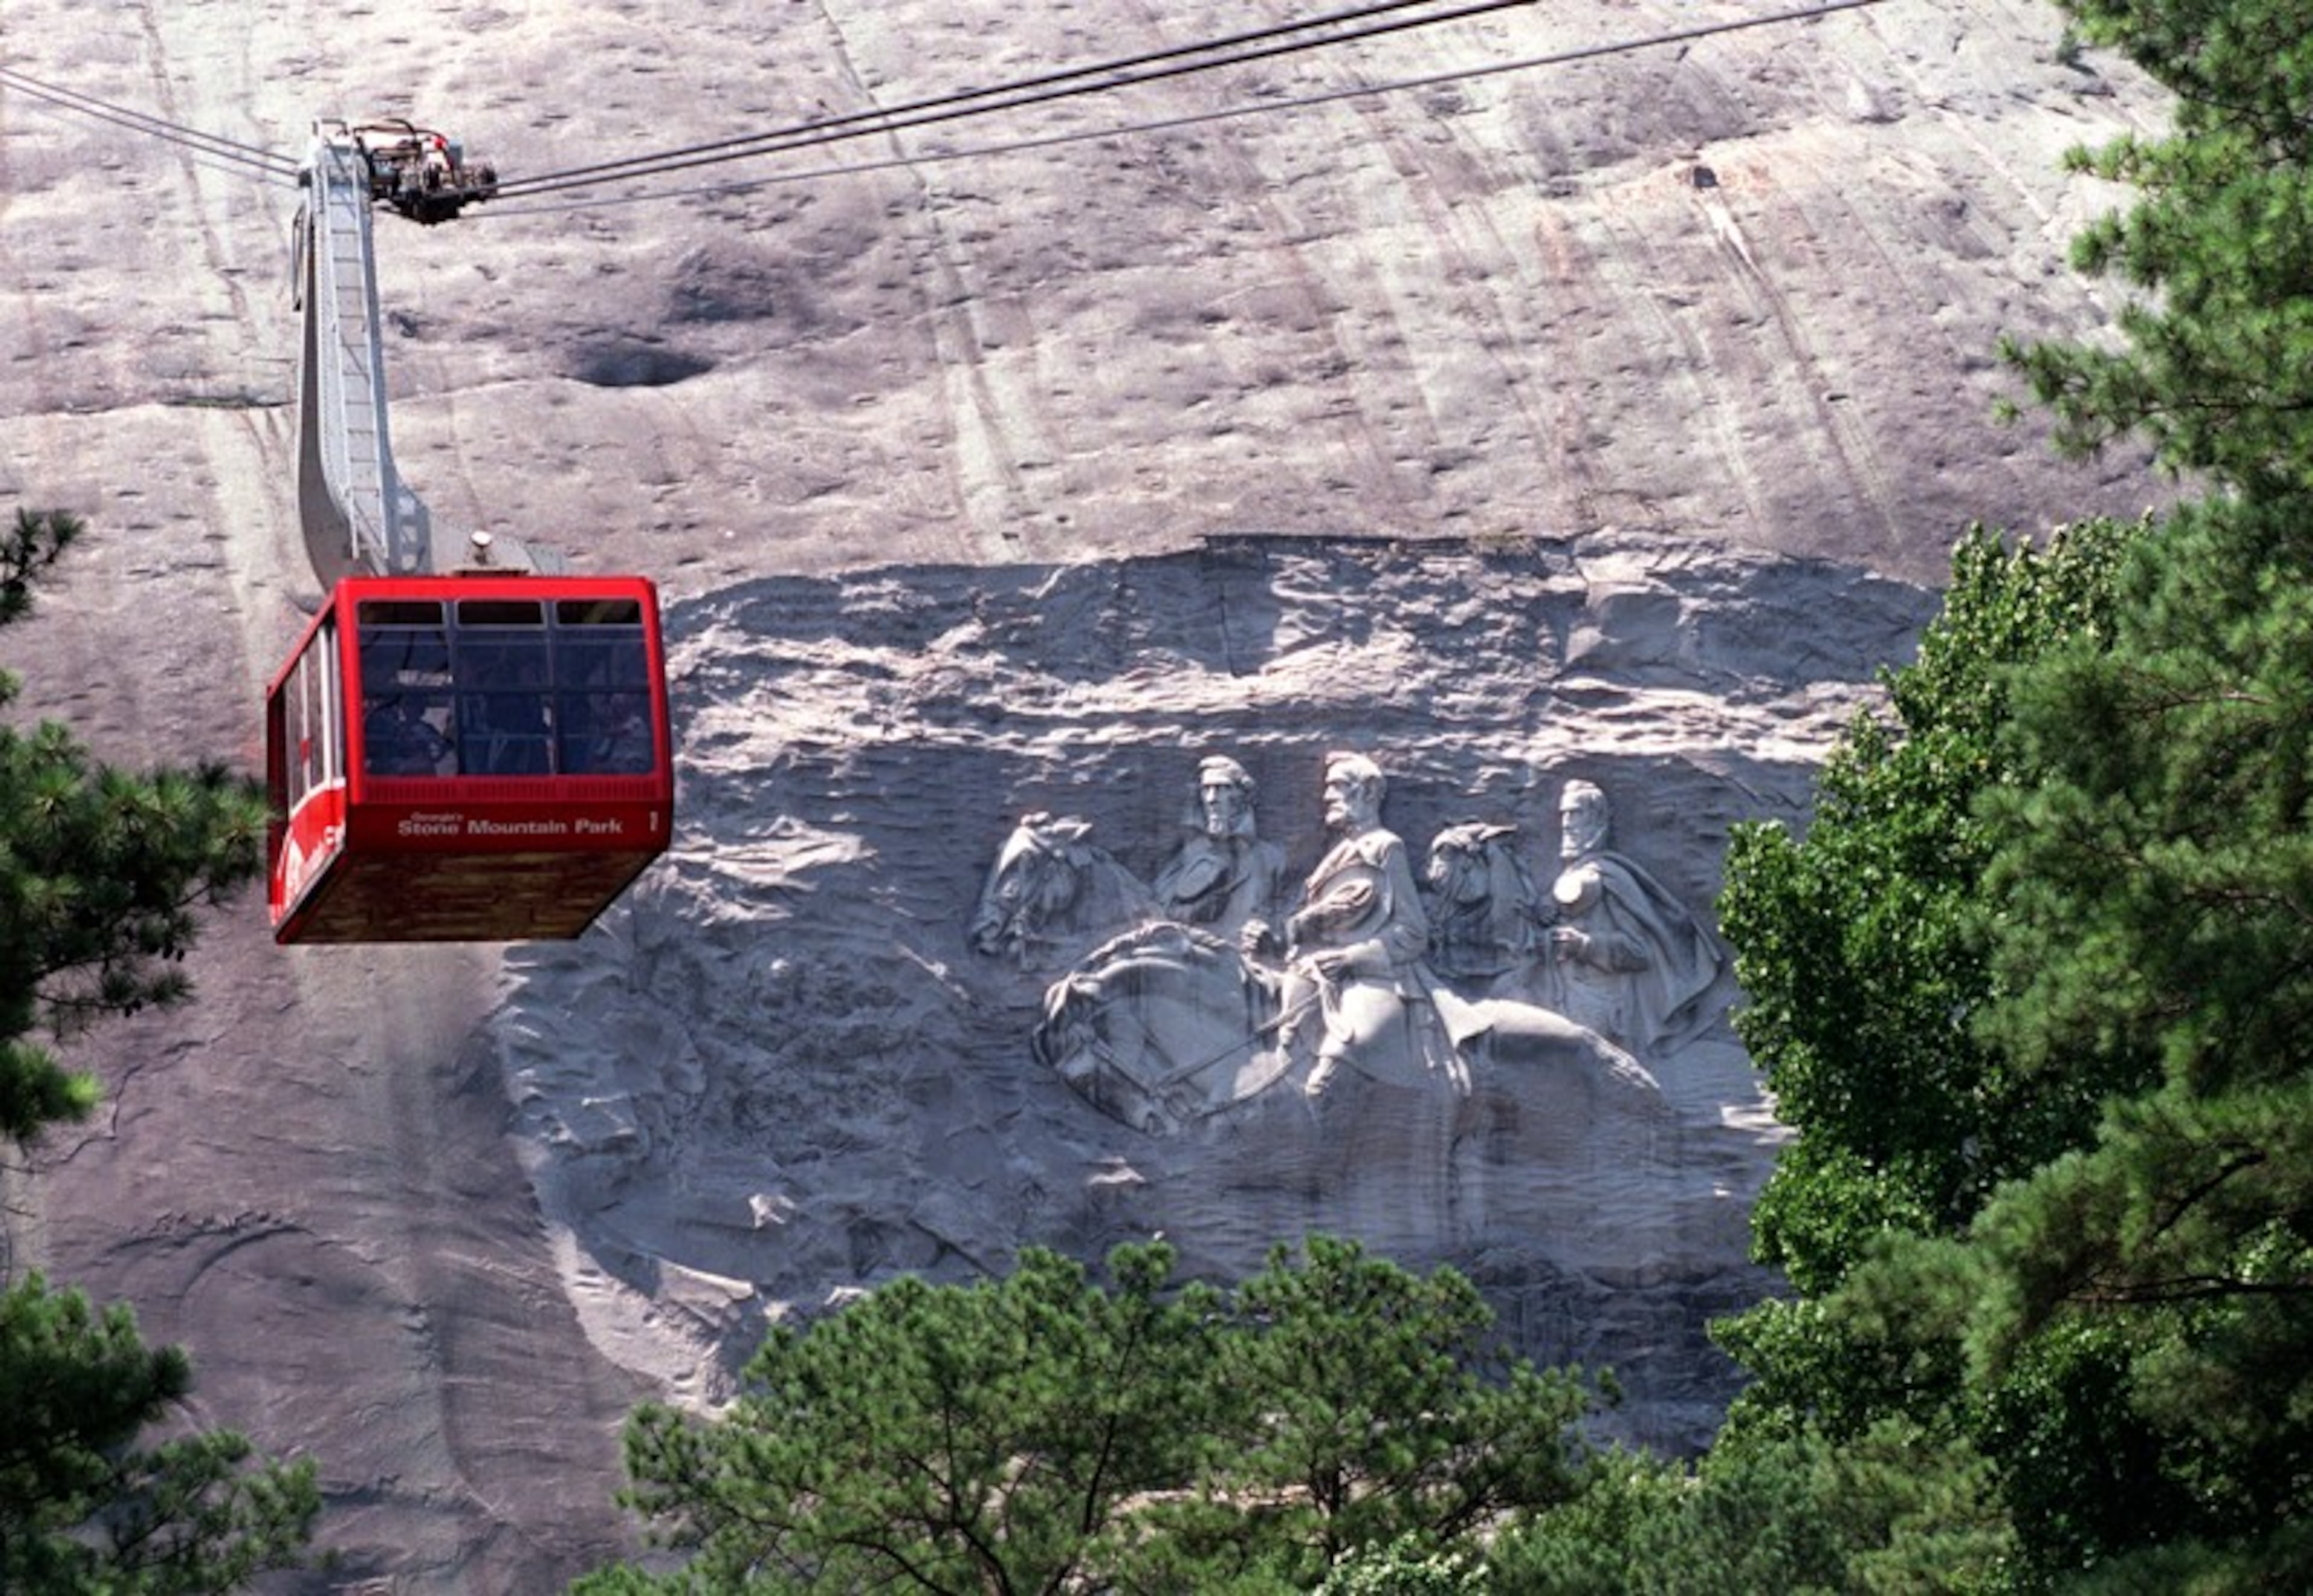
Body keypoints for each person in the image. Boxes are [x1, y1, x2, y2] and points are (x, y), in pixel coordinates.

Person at [1282, 752, 1443, 1096]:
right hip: (1315, 975)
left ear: (1368, 792)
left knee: (1331, 1077)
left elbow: (1413, 933)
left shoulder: (1386, 847)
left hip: (1375, 980)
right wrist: (1280, 936)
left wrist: (1352, 959)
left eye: (1338, 786)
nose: (1327, 797)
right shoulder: (1336, 854)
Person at [1540, 779, 1724, 1053]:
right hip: (1559, 996)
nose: (1566, 823)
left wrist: (1584, 945)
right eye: (1564, 815)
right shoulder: (1571, 877)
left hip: (1600, 1008)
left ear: (1596, 819)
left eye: (1575, 814)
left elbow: (1639, 951)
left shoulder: (1610, 878)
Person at [1150, 755, 1285, 952]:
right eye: (1206, 790)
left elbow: (1286, 917)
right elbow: (1159, 912)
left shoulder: (1270, 859)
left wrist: (1270, 935)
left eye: (1223, 789)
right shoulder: (1186, 857)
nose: (1212, 799)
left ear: (1243, 796)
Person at [362, 694, 450, 775]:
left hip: (422, 772)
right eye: (407, 705)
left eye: (415, 706)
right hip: (399, 774)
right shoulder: (395, 728)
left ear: (422, 710)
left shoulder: (427, 729)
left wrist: (430, 758)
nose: (410, 710)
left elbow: (443, 747)